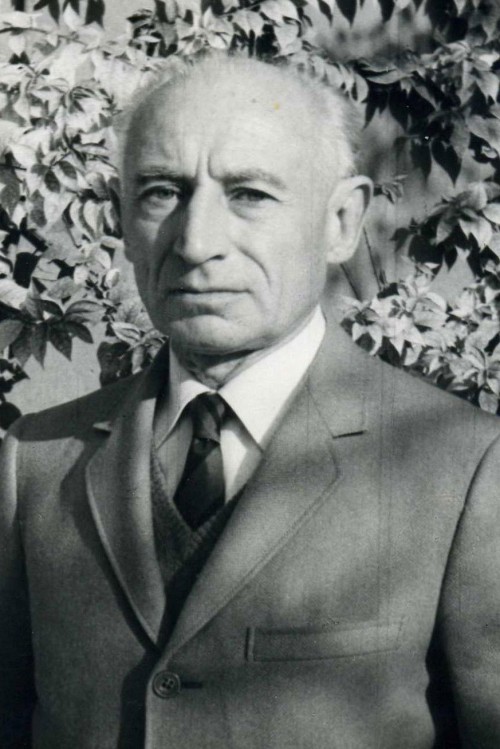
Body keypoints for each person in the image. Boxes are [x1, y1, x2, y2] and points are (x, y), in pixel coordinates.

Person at [1, 53, 500, 749]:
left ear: (341, 221)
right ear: (121, 218)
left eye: (250, 194)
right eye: (162, 192)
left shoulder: (464, 469)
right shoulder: (35, 461)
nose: (196, 243)